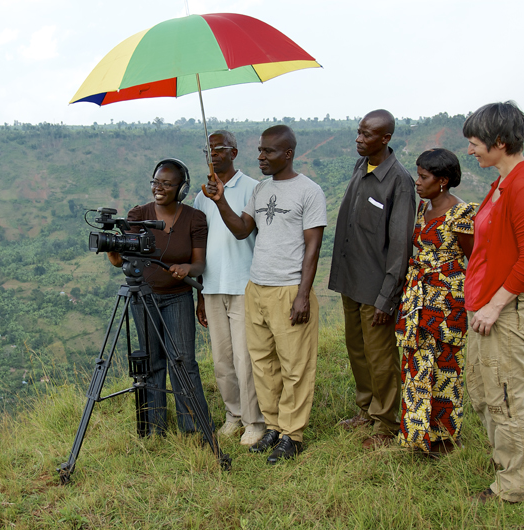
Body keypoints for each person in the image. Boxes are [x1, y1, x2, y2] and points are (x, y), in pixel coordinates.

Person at [203, 125, 326, 464]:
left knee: (295, 366)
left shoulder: (309, 191)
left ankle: (292, 434)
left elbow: (313, 246)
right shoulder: (260, 190)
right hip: (256, 287)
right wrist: (220, 201)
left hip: (288, 290)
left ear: (287, 153)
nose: (261, 157)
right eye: (259, 150)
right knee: (263, 364)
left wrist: (303, 295)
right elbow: (243, 230)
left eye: (269, 152)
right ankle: (272, 426)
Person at [463, 101, 524, 504]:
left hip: (505, 309)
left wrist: (496, 305)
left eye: (476, 142)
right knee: (486, 391)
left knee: (507, 395)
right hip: (486, 307)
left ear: (500, 142)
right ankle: (506, 467)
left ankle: (516, 486)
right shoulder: (502, 182)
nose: (471, 150)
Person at [328, 109, 416, 449]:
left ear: (385, 138)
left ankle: (385, 424)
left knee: (380, 357)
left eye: (366, 134)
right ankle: (365, 411)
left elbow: (400, 246)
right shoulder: (360, 167)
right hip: (350, 280)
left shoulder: (399, 182)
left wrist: (387, 296)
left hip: (377, 287)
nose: (358, 139)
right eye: (358, 132)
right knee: (357, 350)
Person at [107, 158, 213, 436]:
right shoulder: (137, 214)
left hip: (178, 298)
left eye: (167, 183)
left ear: (181, 188)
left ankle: (193, 428)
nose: (159, 188)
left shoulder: (194, 219)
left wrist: (188, 268)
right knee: (152, 363)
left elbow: (200, 264)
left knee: (183, 362)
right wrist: (113, 252)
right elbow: (122, 261)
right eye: (156, 182)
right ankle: (154, 428)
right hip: (144, 298)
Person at [394, 148, 476, 455]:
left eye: (424, 177)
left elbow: (474, 257)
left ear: (442, 181)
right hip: (418, 298)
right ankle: (416, 435)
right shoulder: (422, 209)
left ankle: (443, 439)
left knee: (445, 368)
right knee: (416, 366)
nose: (417, 181)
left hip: (447, 300)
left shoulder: (461, 214)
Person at [193, 130, 266, 446]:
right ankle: (233, 415)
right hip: (213, 287)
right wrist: (200, 293)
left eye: (218, 148)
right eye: (207, 149)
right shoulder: (201, 196)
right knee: (222, 358)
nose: (212, 154)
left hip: (243, 285)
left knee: (245, 359)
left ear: (234, 152)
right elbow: (200, 246)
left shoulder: (253, 188)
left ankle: (255, 421)